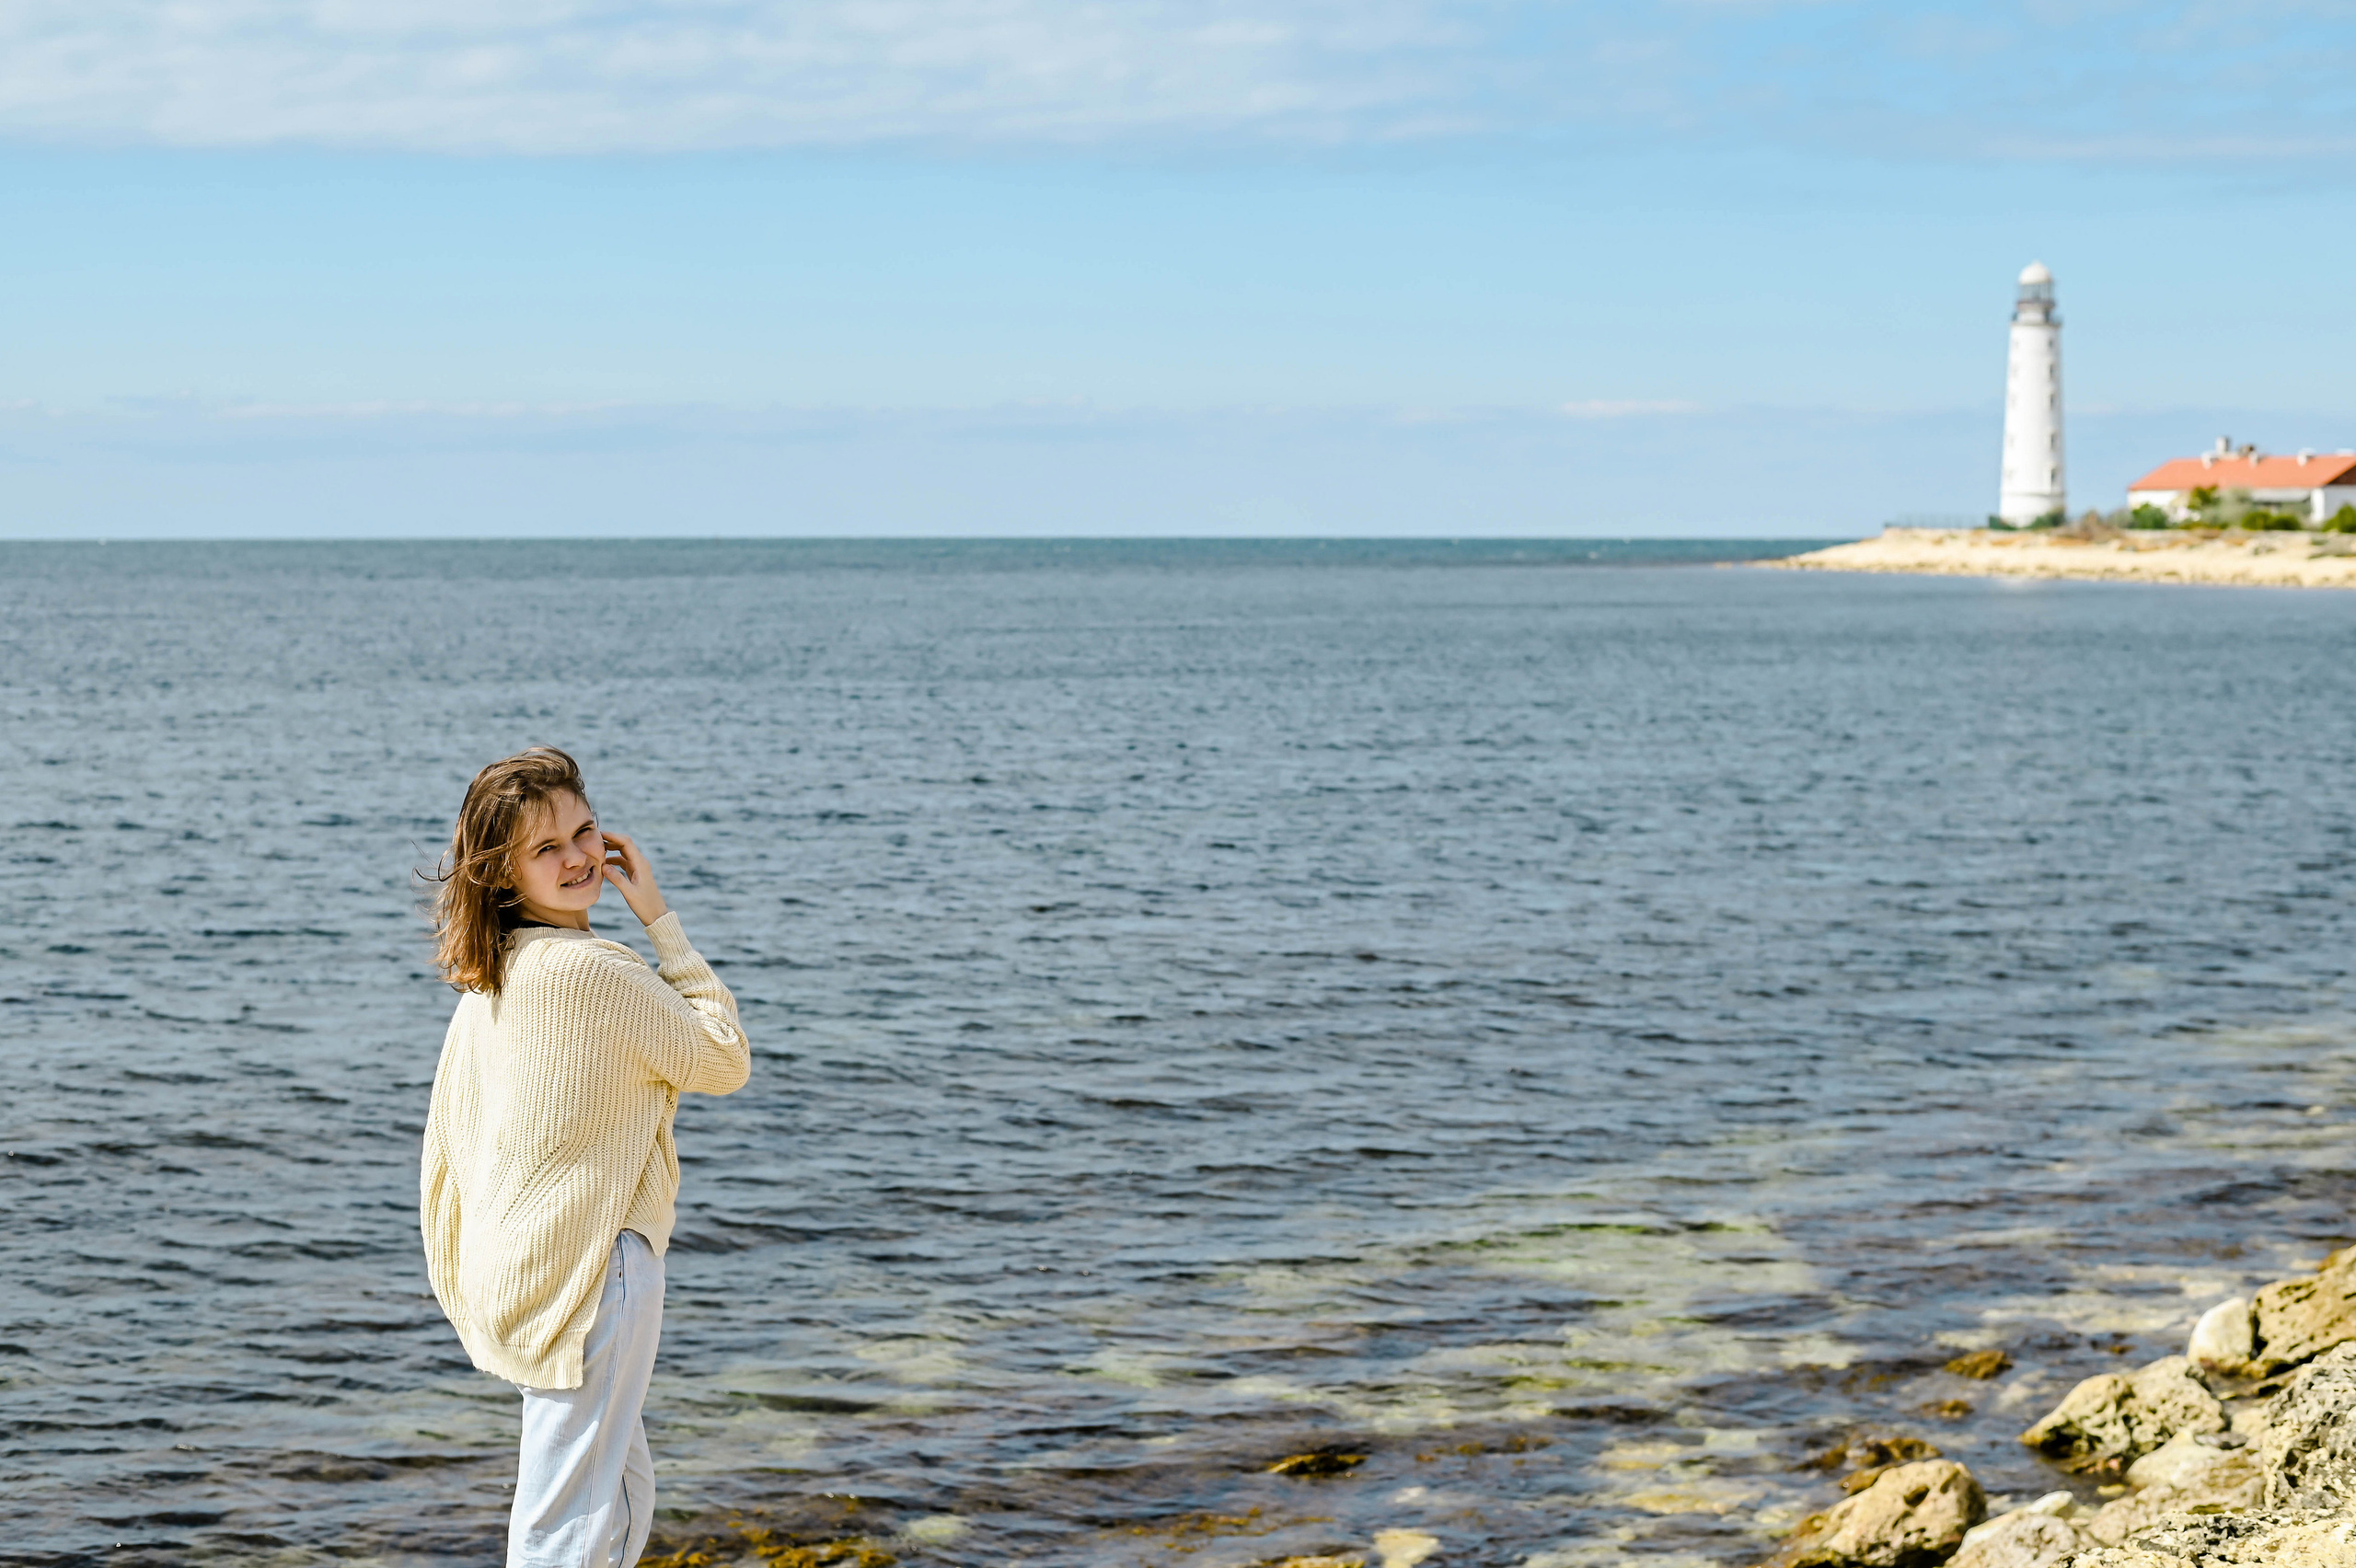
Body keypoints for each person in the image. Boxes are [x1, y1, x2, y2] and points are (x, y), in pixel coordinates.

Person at [419, 746, 750, 1568]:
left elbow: (453, 1151)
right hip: (594, 1274)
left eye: (584, 831)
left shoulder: (489, 982)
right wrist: (662, 923)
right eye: (546, 848)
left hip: (529, 1274)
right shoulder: (591, 971)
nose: (577, 859)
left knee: (617, 1498)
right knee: (567, 1526)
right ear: (503, 873)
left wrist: (480, 1276)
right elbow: (724, 1060)